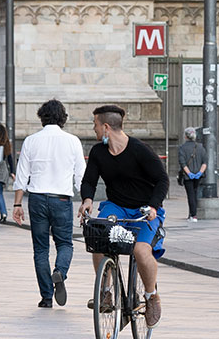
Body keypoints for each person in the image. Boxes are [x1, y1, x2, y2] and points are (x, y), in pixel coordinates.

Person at [79, 105, 168, 329]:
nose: (94, 129)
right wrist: (87, 200)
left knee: (140, 250)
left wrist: (154, 207)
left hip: (144, 209)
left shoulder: (140, 150)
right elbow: (89, 180)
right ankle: (106, 291)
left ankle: (151, 296)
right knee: (97, 235)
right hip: (116, 207)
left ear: (106, 127)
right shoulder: (99, 152)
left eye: (95, 125)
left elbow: (162, 180)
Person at [12, 100, 86, 308]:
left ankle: (46, 297)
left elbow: (22, 176)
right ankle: (60, 272)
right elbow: (81, 175)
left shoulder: (31, 141)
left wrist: (17, 205)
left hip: (36, 198)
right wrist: (85, 200)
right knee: (65, 243)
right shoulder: (73, 141)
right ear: (63, 117)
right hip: (61, 199)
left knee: (40, 249)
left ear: (41, 117)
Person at [178, 127, 207, 222]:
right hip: (198, 175)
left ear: (185, 136)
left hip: (188, 176)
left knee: (190, 195)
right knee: (195, 193)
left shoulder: (182, 148)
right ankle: (192, 214)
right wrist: (199, 173)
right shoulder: (200, 147)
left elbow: (183, 163)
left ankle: (193, 215)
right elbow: (205, 162)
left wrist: (189, 173)